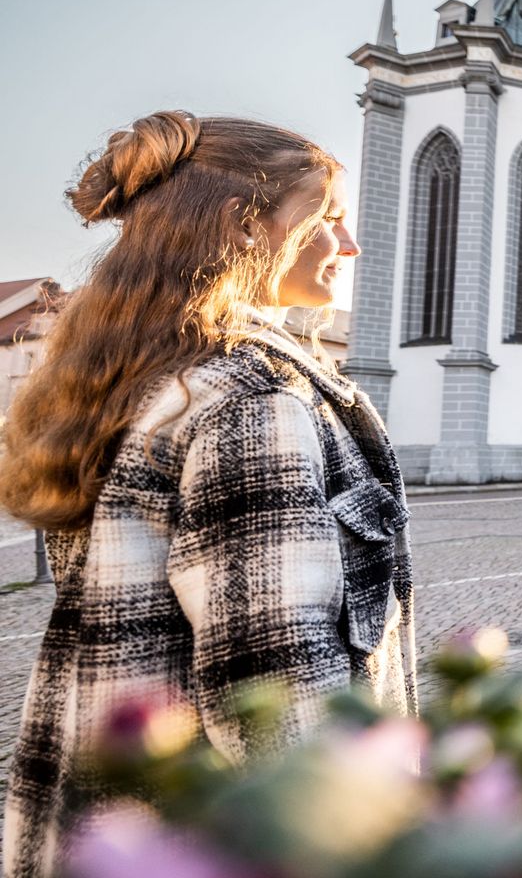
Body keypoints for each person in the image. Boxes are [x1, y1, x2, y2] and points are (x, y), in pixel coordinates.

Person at [1, 112, 415, 877]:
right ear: (248, 225)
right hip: (201, 839)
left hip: (101, 826)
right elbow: (282, 698)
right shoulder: (247, 397)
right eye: (327, 220)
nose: (348, 247)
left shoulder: (136, 372)